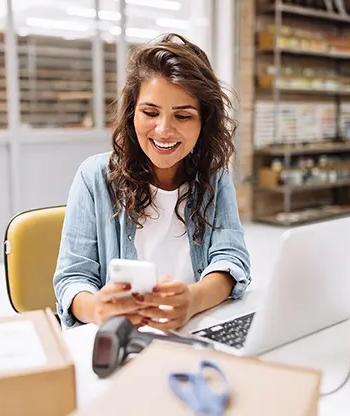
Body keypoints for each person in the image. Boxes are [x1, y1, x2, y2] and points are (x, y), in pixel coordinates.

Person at [53, 33, 251, 330]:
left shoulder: (215, 175)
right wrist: (97, 309)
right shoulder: (95, 176)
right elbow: (73, 278)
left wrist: (194, 300)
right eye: (150, 112)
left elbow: (231, 258)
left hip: (194, 330)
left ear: (203, 122)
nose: (164, 130)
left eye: (183, 116)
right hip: (125, 338)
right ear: (132, 114)